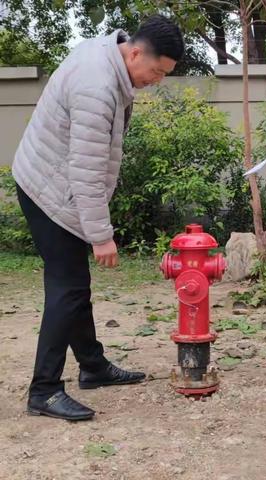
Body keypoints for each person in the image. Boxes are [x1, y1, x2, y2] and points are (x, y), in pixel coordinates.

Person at [13, 15, 184, 420]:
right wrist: (101, 235)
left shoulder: (109, 58)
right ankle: (44, 390)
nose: (157, 80)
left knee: (74, 286)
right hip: (48, 190)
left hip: (55, 182)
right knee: (67, 289)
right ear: (137, 52)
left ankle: (92, 367)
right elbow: (86, 168)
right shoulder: (98, 86)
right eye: (157, 71)